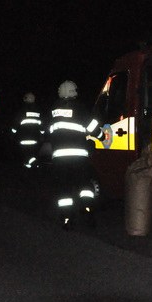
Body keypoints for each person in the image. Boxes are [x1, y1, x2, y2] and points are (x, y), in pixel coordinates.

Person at [48, 80, 105, 229]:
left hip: (59, 158)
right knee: (84, 186)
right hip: (79, 157)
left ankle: (67, 219)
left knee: (64, 189)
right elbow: (92, 126)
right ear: (73, 92)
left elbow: (48, 131)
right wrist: (102, 136)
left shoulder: (53, 110)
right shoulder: (79, 108)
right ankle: (88, 212)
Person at [10, 91, 44, 169]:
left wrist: (12, 134)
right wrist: (42, 135)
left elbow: (15, 124)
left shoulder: (21, 111)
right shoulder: (38, 111)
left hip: (23, 138)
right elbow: (41, 125)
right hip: (35, 138)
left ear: (25, 99)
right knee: (32, 154)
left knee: (26, 155)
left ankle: (33, 165)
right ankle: (32, 167)